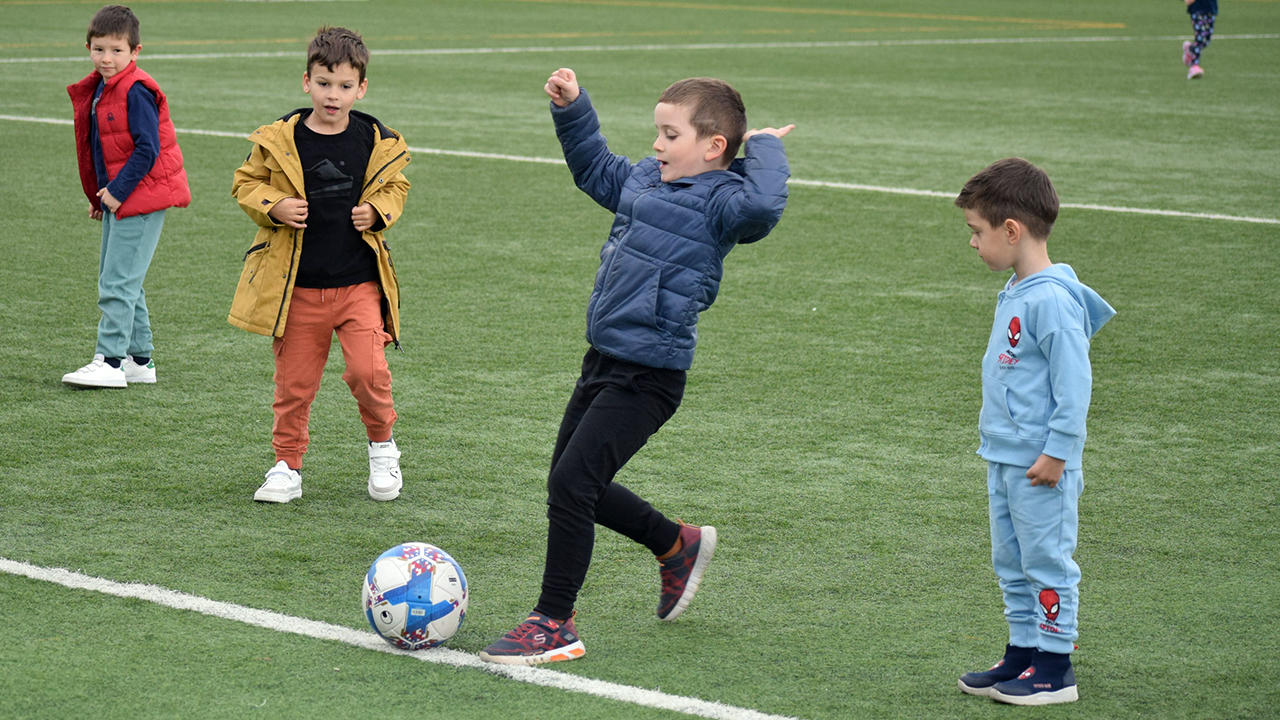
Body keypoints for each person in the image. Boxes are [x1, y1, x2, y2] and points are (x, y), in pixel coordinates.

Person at [478, 68, 792, 665]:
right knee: (573, 485)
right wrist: (573, 109)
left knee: (573, 484)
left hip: (649, 375)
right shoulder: (648, 178)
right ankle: (676, 544)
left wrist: (767, 145)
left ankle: (554, 622)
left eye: (669, 135)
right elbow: (596, 169)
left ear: (713, 147)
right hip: (602, 360)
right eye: (656, 132)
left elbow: (763, 206)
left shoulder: (724, 203)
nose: (655, 145)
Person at [953, 158, 1115, 706]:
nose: (973, 243)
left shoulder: (1050, 299)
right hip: (1006, 457)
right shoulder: (1021, 289)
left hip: (1041, 462)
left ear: (1012, 231)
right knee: (1012, 561)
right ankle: (1023, 652)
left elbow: (1075, 386)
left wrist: (1058, 452)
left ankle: (1055, 667)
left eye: (977, 231)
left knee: (1046, 559)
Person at [229, 26, 411, 504]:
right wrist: (274, 206)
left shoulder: (376, 140)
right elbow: (245, 183)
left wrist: (378, 212)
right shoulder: (278, 140)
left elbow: (396, 187)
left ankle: (382, 448)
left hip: (358, 287)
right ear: (306, 81)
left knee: (369, 374)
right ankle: (286, 467)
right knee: (294, 387)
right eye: (325, 83)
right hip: (297, 290)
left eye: (345, 86)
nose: (334, 95)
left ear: (362, 88)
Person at [64, 4, 190, 389]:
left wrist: (117, 192)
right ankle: (139, 360)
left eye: (117, 50)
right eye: (99, 49)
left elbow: (146, 149)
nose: (107, 58)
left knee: (117, 282)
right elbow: (105, 148)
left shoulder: (135, 90)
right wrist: (99, 194)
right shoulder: (105, 87)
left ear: (135, 52)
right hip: (123, 196)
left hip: (141, 197)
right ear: (88, 47)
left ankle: (111, 361)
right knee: (121, 278)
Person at [1183, 0, 1218, 79]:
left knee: (1206, 41)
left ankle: (1190, 49)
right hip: (1197, 8)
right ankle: (1194, 66)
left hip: (1210, 8)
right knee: (1200, 38)